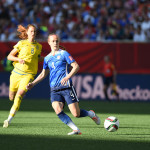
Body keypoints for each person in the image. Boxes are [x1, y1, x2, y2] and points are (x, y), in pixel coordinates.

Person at [27, 33, 100, 135]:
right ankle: (76, 129)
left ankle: (90, 113)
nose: (55, 43)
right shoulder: (47, 58)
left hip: (67, 87)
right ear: (48, 42)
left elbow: (76, 66)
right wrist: (33, 83)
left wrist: (67, 77)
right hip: (54, 89)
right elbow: (43, 74)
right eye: (53, 41)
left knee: (76, 114)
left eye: (57, 41)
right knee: (57, 109)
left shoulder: (64, 53)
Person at [3, 24, 43, 128]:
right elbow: (9, 56)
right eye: (31, 31)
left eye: (34, 31)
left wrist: (46, 58)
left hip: (29, 74)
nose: (33, 33)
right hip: (16, 73)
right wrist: (18, 59)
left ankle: (8, 120)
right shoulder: (21, 43)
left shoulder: (39, 46)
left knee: (19, 95)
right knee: (11, 97)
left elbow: (37, 58)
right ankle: (12, 99)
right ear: (27, 32)